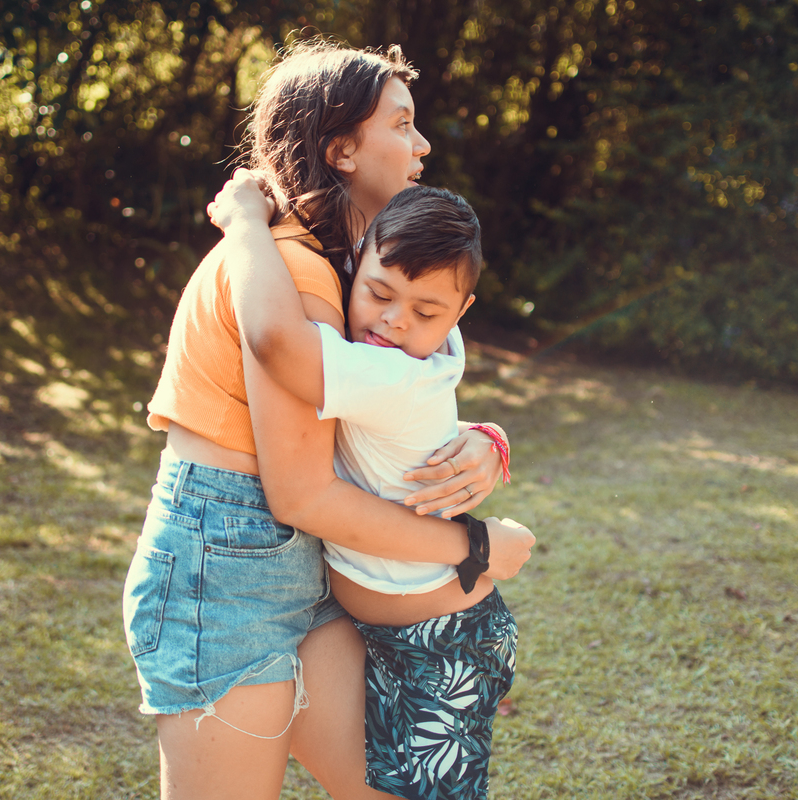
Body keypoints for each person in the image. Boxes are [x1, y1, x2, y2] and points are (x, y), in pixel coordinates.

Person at [121, 40, 535, 800]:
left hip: (298, 566)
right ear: (342, 147)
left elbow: (378, 402)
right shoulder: (294, 273)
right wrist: (473, 543)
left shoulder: (343, 271)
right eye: (402, 124)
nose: (423, 144)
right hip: (231, 563)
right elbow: (303, 490)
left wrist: (484, 440)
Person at [218, 182, 516, 800]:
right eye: (379, 293)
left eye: (425, 313)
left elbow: (275, 340)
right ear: (355, 265)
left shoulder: (389, 373)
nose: (394, 320)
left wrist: (244, 221)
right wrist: (488, 434)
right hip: (396, 628)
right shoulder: (419, 355)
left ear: (461, 315)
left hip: (443, 643)